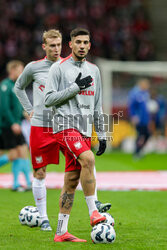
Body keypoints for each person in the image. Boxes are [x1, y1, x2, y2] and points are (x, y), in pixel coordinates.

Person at [45, 28, 108, 242]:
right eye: (78, 42)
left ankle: (61, 232)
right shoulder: (58, 68)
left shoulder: (95, 70)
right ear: (70, 45)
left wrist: (102, 133)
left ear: (90, 45)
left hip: (84, 129)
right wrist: (74, 88)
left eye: (86, 42)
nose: (82, 45)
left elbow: (97, 104)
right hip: (64, 126)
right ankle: (94, 212)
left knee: (71, 180)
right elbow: (48, 99)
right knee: (88, 159)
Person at [0, 60, 31, 191]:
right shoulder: (5, 85)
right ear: (12, 70)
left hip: (16, 124)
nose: (22, 73)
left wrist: (24, 114)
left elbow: (15, 107)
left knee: (23, 152)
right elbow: (4, 108)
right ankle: (18, 183)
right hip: (7, 126)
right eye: (20, 70)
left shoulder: (16, 86)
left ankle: (23, 183)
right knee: (14, 154)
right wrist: (13, 123)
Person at [128, 78, 151, 158]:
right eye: (146, 84)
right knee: (140, 135)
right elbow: (132, 106)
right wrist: (133, 116)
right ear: (142, 84)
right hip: (138, 119)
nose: (148, 86)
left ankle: (139, 150)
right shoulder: (134, 93)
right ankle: (137, 153)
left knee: (147, 134)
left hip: (145, 119)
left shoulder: (146, 93)